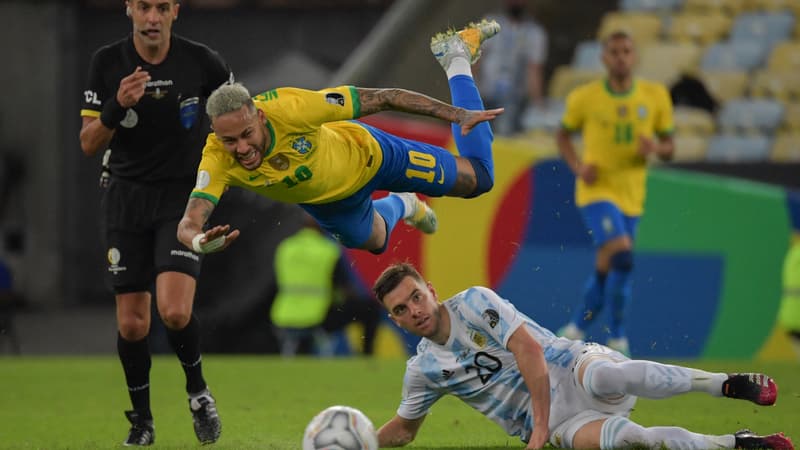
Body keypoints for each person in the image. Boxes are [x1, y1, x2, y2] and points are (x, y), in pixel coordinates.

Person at [372, 262, 794, 450]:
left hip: (570, 367)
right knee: (630, 441)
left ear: (429, 287)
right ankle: (734, 443)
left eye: (416, 296)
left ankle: (725, 384)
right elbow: (405, 432)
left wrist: (536, 431)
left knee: (605, 379)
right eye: (401, 309)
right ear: (395, 320)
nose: (415, 310)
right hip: (564, 423)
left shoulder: (472, 303)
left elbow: (529, 350)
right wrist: (356, 443)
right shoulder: (423, 370)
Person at [176, 19, 503, 257]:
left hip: (371, 155)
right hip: (331, 206)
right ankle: (403, 204)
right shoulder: (216, 157)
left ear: (259, 116)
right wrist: (197, 242)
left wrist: (456, 114)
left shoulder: (292, 108)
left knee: (479, 180)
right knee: (376, 242)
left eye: (247, 134)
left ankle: (456, 55)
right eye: (230, 141)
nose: (242, 149)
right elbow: (190, 220)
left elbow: (384, 97)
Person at [78, 0, 232, 445]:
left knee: (176, 310)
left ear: (174, 12)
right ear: (129, 9)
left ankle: (198, 393)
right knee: (132, 325)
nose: (152, 17)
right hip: (125, 199)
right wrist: (115, 106)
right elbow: (89, 143)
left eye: (161, 7)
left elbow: (237, 116)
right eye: (143, 6)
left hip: (180, 201)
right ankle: (141, 421)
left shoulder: (203, 62)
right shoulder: (106, 63)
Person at [555, 30, 675, 356]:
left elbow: (669, 147)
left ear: (634, 57)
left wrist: (656, 147)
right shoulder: (585, 97)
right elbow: (563, 135)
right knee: (621, 253)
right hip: (597, 190)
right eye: (614, 52)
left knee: (614, 265)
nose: (621, 57)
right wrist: (578, 167)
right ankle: (618, 337)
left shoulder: (655, 96)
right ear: (604, 58)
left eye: (626, 51)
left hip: (633, 195)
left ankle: (574, 329)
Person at [270, 211, 380, 356]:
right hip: (317, 316)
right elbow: (344, 288)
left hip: (284, 315)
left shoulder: (285, 247)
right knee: (370, 309)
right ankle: (366, 356)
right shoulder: (328, 250)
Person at [477, 0, 548, 135]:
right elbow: (477, 58)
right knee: (477, 133)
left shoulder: (535, 33)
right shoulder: (489, 23)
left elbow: (534, 70)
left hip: (513, 98)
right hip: (484, 92)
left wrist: (538, 104)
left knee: (503, 133)